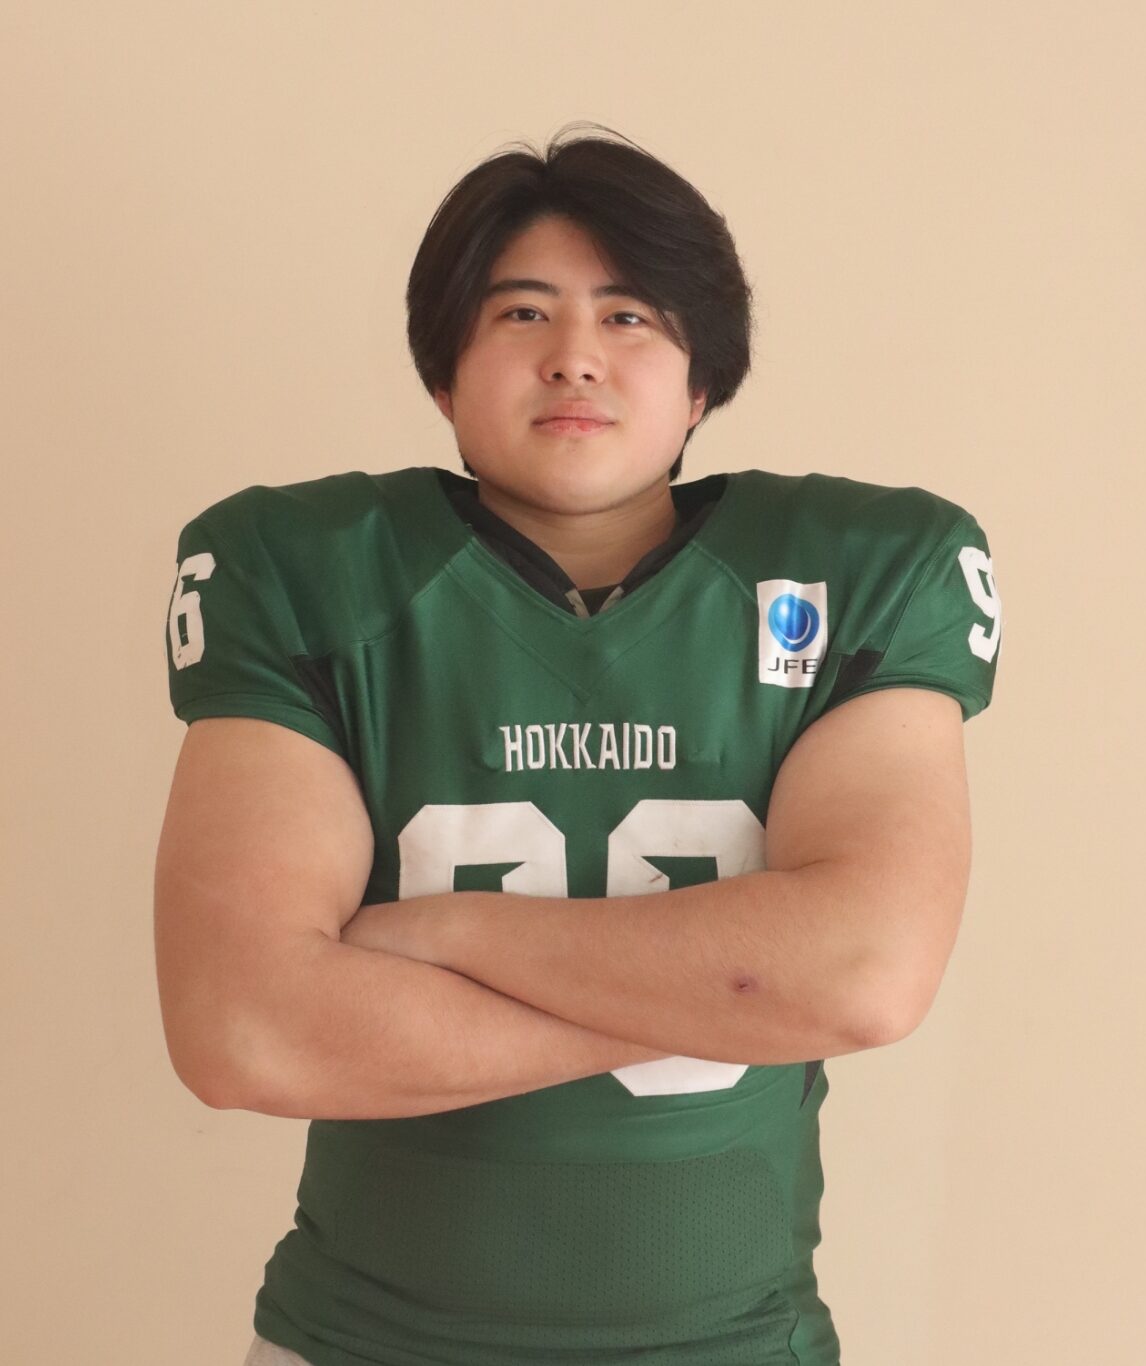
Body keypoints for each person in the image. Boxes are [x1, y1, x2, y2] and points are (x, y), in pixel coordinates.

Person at [155, 123, 1002, 1366]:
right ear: (442, 373)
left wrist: (446, 936)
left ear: (703, 381)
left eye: (629, 316)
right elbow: (248, 1030)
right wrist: (736, 995)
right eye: (520, 314)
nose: (574, 357)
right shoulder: (303, 571)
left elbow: (865, 971)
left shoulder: (867, 570)